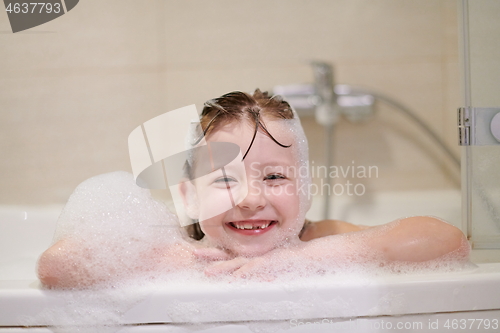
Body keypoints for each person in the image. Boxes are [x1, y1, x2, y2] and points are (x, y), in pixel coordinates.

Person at [37, 90, 469, 288]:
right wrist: (180, 261)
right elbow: (57, 267)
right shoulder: (176, 245)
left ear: (305, 189)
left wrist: (298, 260)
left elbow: (448, 242)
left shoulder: (318, 237)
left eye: (275, 177)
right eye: (225, 179)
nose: (250, 198)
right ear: (188, 196)